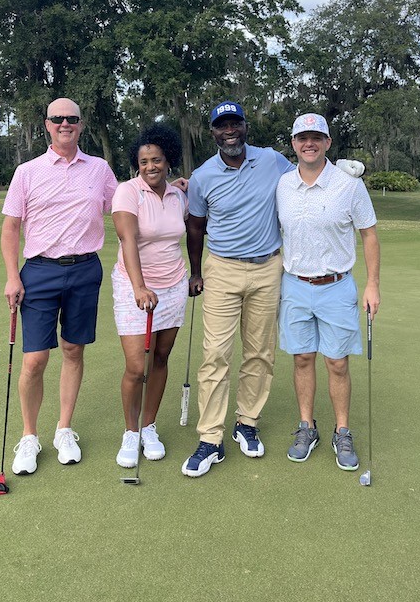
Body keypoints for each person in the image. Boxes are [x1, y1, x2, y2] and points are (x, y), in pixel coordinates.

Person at [181, 102, 365, 478]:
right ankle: (210, 438)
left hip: (269, 268)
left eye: (235, 123)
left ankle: (247, 423)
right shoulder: (202, 176)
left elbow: (311, 168)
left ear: (245, 127)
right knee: (215, 353)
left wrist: (347, 169)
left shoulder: (271, 161)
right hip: (222, 269)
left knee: (260, 353)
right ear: (213, 132)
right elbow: (195, 226)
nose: (229, 131)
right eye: (222, 126)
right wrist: (196, 272)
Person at [1, 98, 117, 476]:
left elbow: (125, 207)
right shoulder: (28, 171)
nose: (65, 123)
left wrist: (169, 186)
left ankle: (64, 429)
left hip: (85, 269)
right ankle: (30, 436)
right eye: (58, 119)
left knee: (72, 349)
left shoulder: (99, 169)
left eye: (72, 119)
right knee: (35, 360)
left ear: (81, 125)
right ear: (47, 125)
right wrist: (12, 275)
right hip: (39, 271)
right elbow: (11, 228)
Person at [276, 113, 380, 471]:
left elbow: (369, 234)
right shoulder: (283, 185)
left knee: (337, 362)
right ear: (293, 144)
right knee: (302, 358)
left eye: (316, 137)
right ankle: (307, 426)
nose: (309, 143)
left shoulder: (349, 185)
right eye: (302, 138)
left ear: (328, 143)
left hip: (336, 286)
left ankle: (342, 430)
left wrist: (372, 284)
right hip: (295, 285)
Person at [111, 124, 189, 468]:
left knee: (160, 358)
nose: (150, 166)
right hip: (135, 288)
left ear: (167, 161)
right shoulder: (128, 192)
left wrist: (178, 186)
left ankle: (149, 426)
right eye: (143, 161)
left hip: (174, 285)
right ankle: (131, 432)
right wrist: (139, 286)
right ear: (136, 164)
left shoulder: (177, 195)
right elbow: (129, 240)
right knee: (136, 366)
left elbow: (178, 231)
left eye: (156, 160)